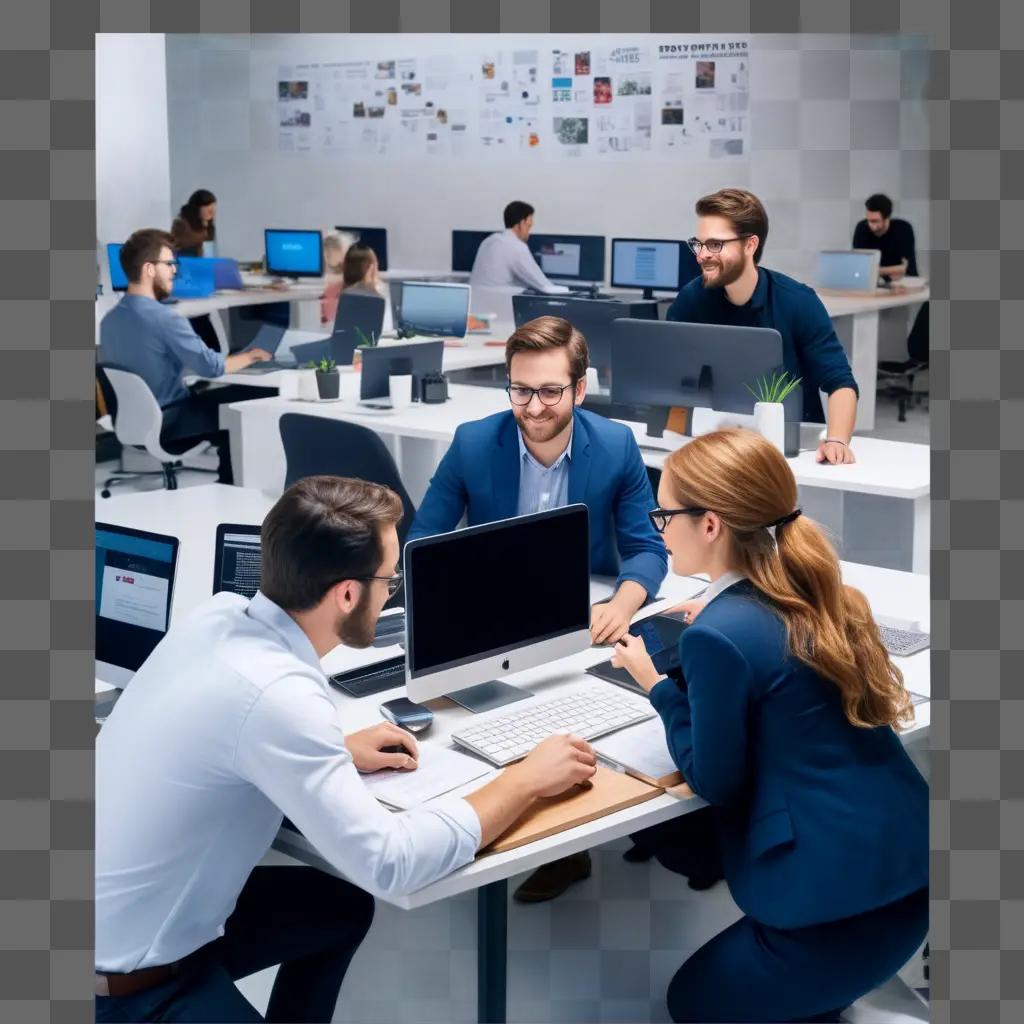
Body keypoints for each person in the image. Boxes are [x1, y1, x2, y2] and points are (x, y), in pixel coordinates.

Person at [96, 475, 597, 1023]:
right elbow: (391, 864)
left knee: (337, 908)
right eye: (389, 578)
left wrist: (330, 747)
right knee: (361, 888)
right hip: (127, 985)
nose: (393, 591)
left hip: (110, 918)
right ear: (348, 594)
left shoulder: (218, 617)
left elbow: (222, 729)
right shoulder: (276, 696)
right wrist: (523, 779)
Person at [610, 427, 928, 1023]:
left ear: (710, 526)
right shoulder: (817, 592)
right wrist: (719, 611)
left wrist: (655, 683)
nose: (659, 529)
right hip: (911, 883)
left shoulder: (716, 635)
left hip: (829, 918)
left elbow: (714, 780)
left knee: (689, 1003)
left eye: (665, 515)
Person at [406, 315, 668, 902]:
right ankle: (498, 827)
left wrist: (623, 603)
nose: (534, 405)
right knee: (483, 725)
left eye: (550, 390)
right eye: (521, 389)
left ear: (579, 388)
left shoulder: (616, 444)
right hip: (491, 613)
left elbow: (648, 548)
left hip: (580, 613)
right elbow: (421, 543)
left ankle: (571, 843)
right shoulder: (475, 441)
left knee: (583, 715)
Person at [666, 188, 860, 465]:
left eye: (715, 245)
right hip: (713, 444)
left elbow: (840, 383)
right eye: (698, 244)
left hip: (788, 452)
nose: (702, 255)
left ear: (750, 245)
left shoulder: (797, 302)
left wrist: (837, 441)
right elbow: (669, 379)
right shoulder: (692, 298)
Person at [98, 228, 271, 484]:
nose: (174, 271)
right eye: (169, 264)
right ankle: (234, 489)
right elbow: (212, 367)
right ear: (149, 269)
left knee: (217, 397)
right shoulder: (164, 318)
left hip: (134, 422)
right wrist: (251, 356)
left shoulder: (109, 321)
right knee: (249, 402)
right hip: (170, 422)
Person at [469, 200, 570, 294]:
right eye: (528, 226)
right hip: (500, 304)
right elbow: (545, 286)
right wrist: (571, 292)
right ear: (521, 223)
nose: (529, 234)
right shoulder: (516, 247)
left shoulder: (488, 241)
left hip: (475, 303)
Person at [171, 188, 222, 352]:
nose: (211, 211)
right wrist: (204, 229)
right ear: (196, 208)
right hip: (186, 277)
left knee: (205, 314)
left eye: (213, 206)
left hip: (202, 275)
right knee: (198, 318)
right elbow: (184, 247)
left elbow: (208, 252)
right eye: (207, 206)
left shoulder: (208, 227)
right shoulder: (181, 224)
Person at [320, 243, 389, 330]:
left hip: (334, 339)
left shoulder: (331, 291)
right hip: (365, 341)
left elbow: (325, 323)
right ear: (372, 268)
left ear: (346, 266)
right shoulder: (379, 295)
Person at [852, 193, 918, 280]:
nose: (870, 224)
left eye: (874, 221)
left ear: (887, 218)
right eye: (868, 220)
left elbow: (908, 267)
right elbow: (858, 265)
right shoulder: (861, 228)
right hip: (872, 282)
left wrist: (876, 271)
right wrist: (892, 270)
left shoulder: (903, 229)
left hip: (904, 282)